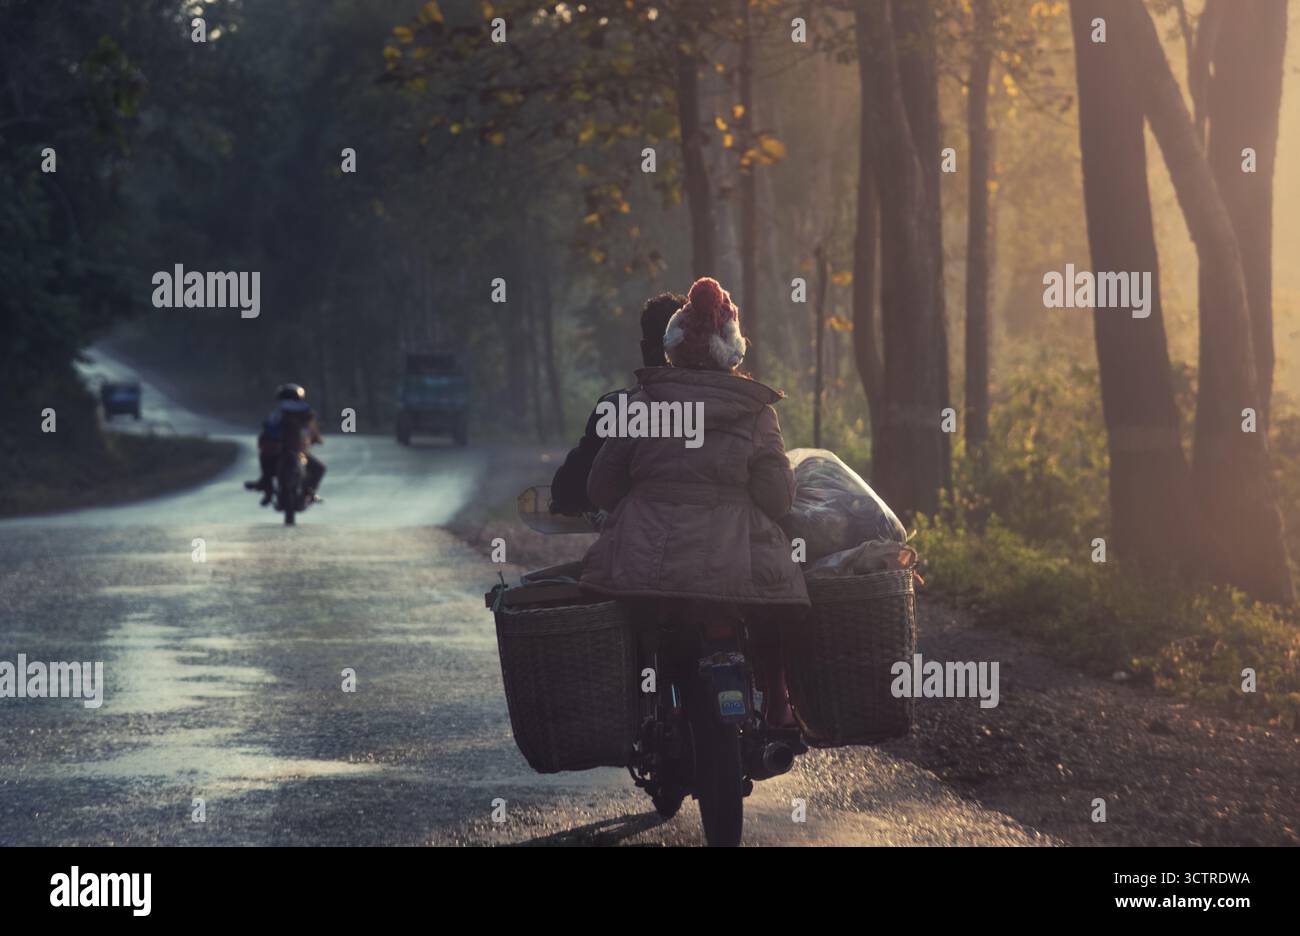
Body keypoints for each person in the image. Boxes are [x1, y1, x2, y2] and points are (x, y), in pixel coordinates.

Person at [579, 276, 808, 727]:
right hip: (734, 560)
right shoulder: (757, 411)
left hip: (644, 563)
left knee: (632, 629)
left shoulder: (642, 405)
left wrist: (642, 496)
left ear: (673, 343)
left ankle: (638, 713)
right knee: (779, 607)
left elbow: (601, 486)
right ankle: (779, 702)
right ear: (733, 347)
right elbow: (777, 498)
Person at [548, 292, 686, 517]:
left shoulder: (616, 410)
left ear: (645, 349)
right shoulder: (730, 411)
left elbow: (569, 492)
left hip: (637, 546)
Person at [244, 384, 326, 506]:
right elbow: (312, 431)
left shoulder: (278, 413)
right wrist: (317, 439)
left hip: (279, 451)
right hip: (297, 450)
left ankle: (267, 487)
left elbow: (267, 431)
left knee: (265, 460)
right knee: (319, 468)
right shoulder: (306, 413)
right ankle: (310, 491)